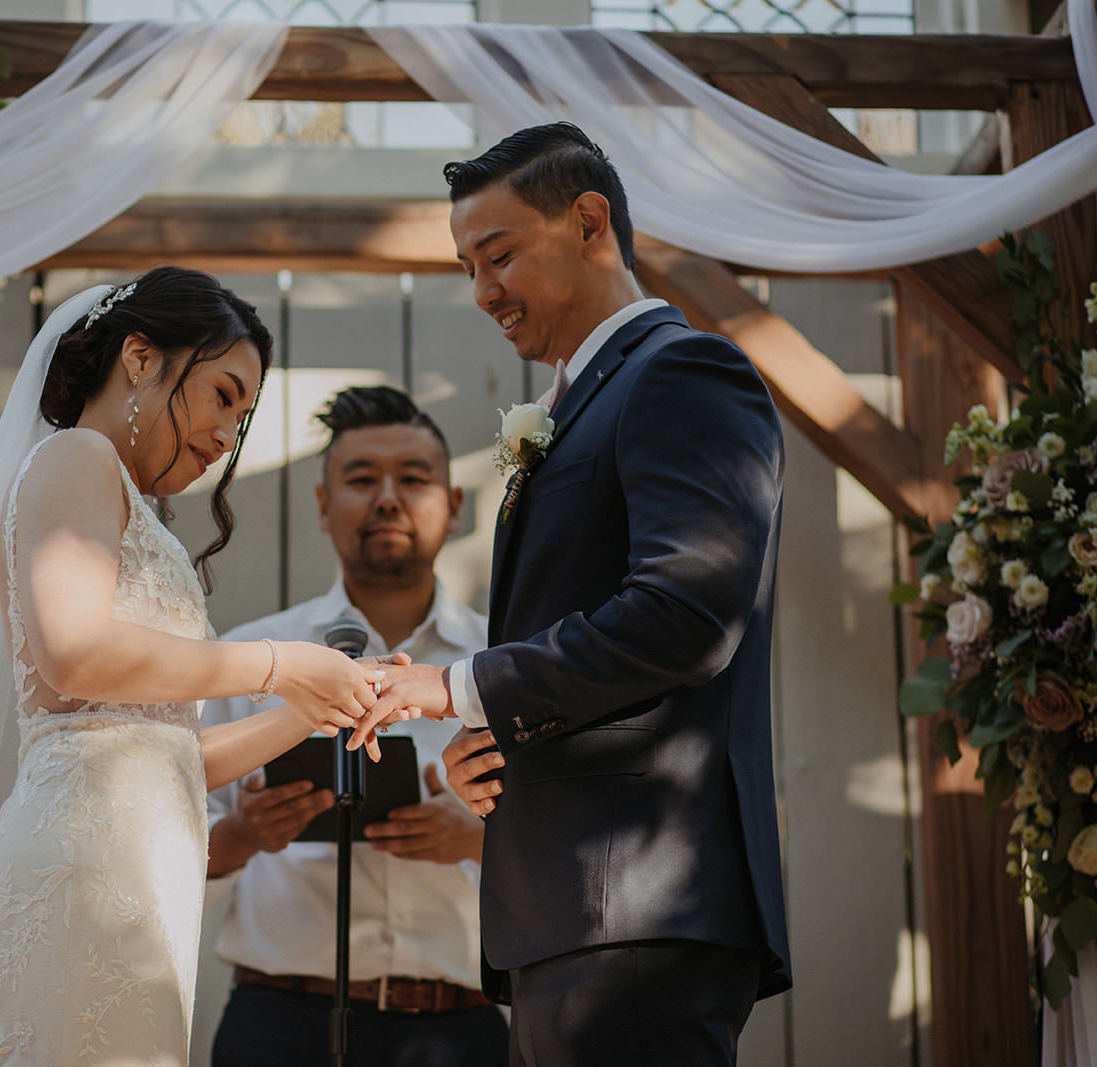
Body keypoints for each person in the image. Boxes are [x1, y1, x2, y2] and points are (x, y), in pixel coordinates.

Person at [0, 267, 399, 1067]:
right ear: (142, 356)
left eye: (243, 413)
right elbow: (75, 652)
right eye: (224, 394)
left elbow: (158, 749)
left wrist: (311, 703)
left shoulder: (120, 495)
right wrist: (278, 663)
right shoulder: (76, 458)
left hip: (138, 878)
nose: (230, 433)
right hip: (78, 876)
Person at [352, 123, 793, 1065]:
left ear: (590, 222)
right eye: (469, 266)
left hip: (637, 899)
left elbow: (684, 613)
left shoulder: (682, 374)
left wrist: (457, 687)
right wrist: (498, 744)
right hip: (569, 910)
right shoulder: (580, 402)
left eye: (500, 255)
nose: (483, 293)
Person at [204, 386, 508, 1067]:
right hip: (279, 1025)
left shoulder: (506, 664)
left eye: (415, 477)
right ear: (322, 505)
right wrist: (249, 833)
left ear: (454, 507)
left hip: (457, 1030)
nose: (389, 497)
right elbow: (173, 844)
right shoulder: (251, 657)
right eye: (362, 478)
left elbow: (574, 846)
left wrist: (477, 839)